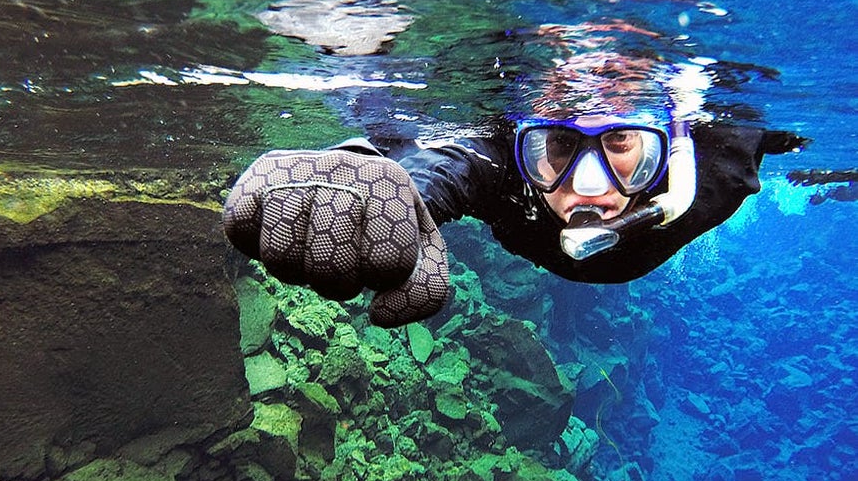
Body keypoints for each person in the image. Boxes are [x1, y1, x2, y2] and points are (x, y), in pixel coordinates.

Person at [223, 103, 806, 328]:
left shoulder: (715, 163)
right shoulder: (500, 166)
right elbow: (443, 165)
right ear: (522, 147)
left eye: (624, 144)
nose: (587, 186)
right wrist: (389, 188)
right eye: (555, 146)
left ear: (667, 148)